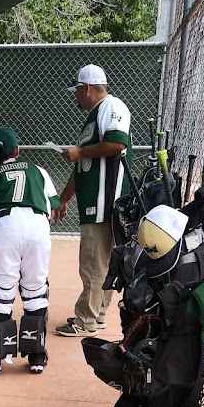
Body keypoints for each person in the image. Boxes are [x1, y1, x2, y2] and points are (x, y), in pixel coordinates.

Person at [0, 126, 59, 374]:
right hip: (38, 227)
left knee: (1, 293)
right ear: (18, 150)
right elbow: (54, 208)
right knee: (35, 289)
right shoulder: (38, 170)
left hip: (6, 227)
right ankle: (36, 356)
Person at [53, 65, 132, 338]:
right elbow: (82, 166)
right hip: (94, 203)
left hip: (105, 201)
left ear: (86, 88)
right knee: (102, 262)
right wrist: (63, 199)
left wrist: (81, 151)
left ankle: (85, 319)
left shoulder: (111, 105)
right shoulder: (93, 117)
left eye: (77, 90)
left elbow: (118, 143)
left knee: (93, 264)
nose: (76, 96)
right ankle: (96, 314)